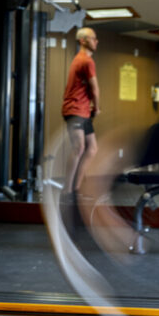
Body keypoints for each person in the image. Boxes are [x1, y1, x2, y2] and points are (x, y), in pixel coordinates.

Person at [61, 27, 100, 196]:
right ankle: (67, 191)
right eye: (93, 38)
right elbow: (95, 89)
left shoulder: (82, 60)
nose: (96, 41)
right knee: (79, 148)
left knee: (92, 148)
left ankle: (76, 189)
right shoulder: (86, 61)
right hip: (75, 109)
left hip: (83, 111)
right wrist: (97, 108)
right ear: (83, 41)